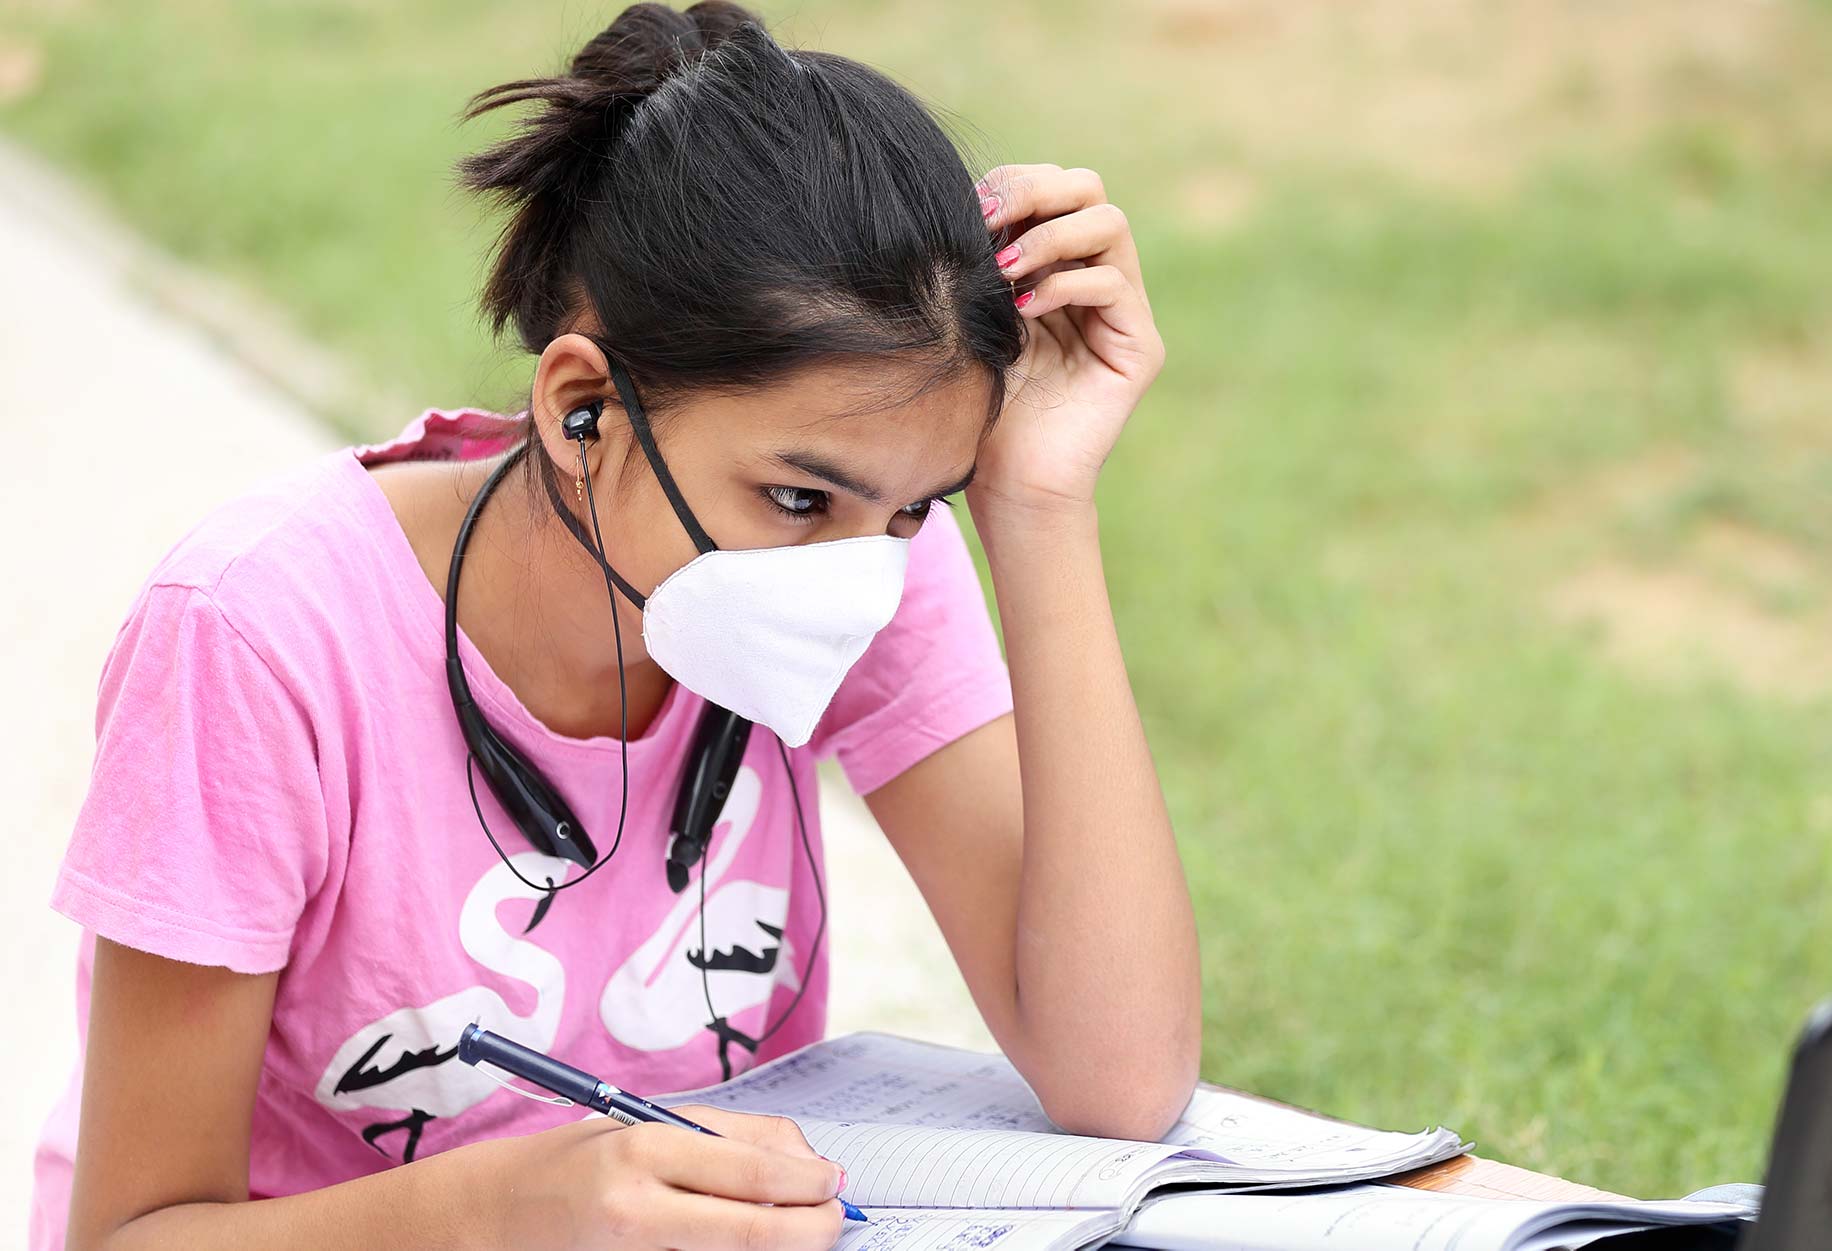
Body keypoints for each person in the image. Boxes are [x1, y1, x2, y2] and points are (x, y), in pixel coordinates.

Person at [33, 3, 1199, 1247]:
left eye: (918, 507)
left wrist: (1037, 504)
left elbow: (1117, 1078)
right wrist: (508, 1210)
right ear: (582, 408)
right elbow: (128, 1235)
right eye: (795, 497)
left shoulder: (869, 560)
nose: (858, 573)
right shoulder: (257, 636)